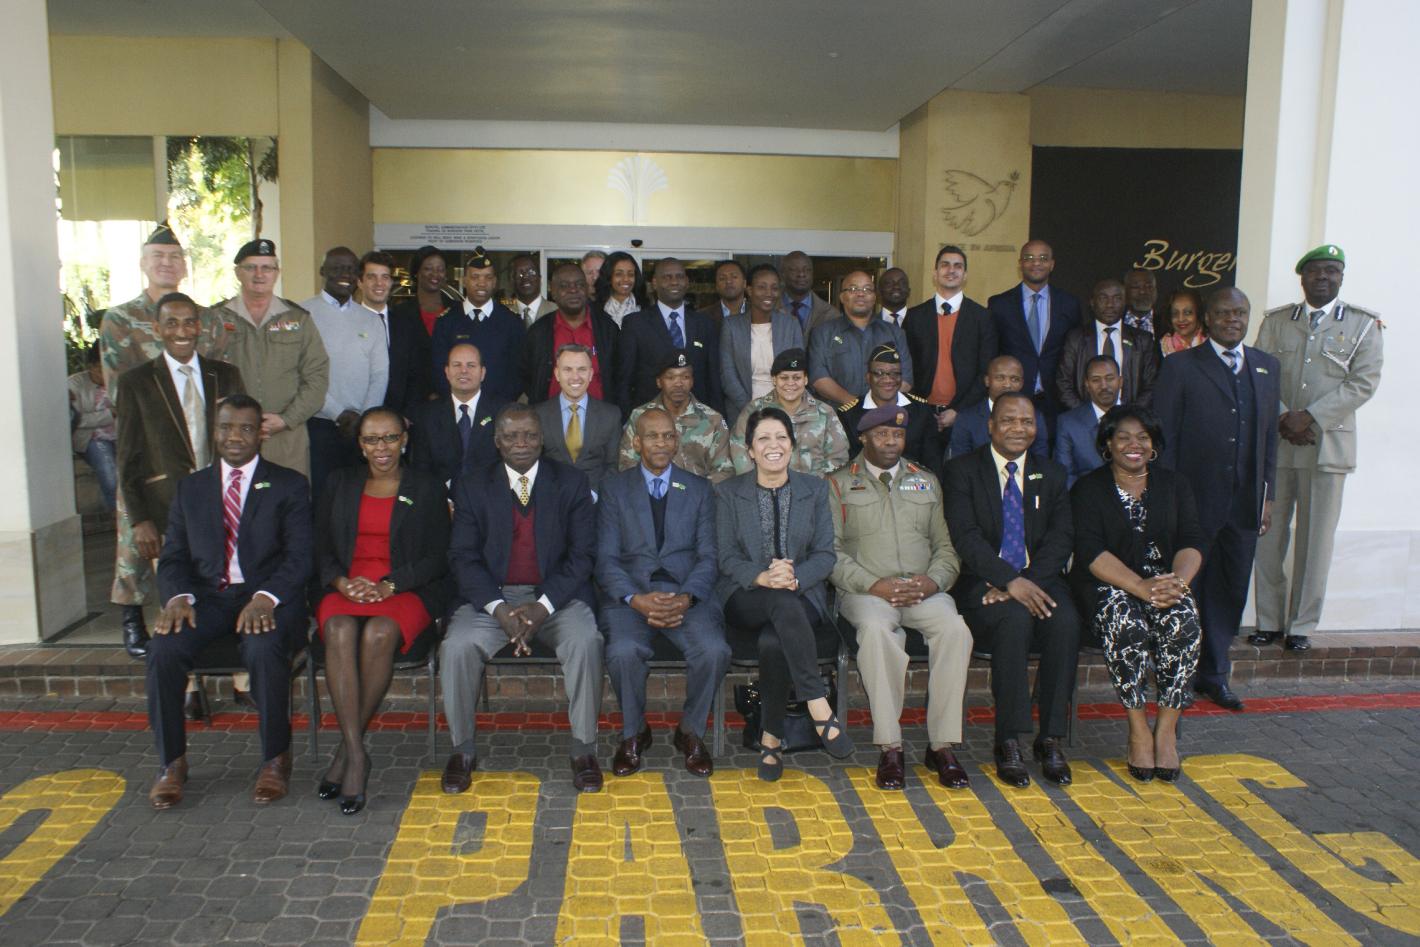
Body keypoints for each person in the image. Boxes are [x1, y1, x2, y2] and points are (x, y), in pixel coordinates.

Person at [145, 395, 312, 810]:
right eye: (225, 427)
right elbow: (174, 557)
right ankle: (171, 763)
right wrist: (178, 598)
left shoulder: (289, 484)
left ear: (261, 434)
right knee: (163, 648)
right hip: (207, 599)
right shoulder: (191, 488)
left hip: (268, 597)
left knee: (263, 646)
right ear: (214, 431)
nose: (234, 436)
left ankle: (275, 759)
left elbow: (300, 557)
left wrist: (265, 597)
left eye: (245, 428)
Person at [441, 405, 604, 793]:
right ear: (497, 442)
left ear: (542, 439)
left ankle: (583, 749)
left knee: (585, 641)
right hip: (491, 601)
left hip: (557, 599)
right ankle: (462, 750)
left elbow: (582, 556)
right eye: (511, 436)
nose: (522, 443)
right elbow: (463, 557)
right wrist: (499, 609)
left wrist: (542, 606)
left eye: (530, 435)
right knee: (456, 646)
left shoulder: (571, 482)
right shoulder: (473, 485)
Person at [313, 408, 451, 814]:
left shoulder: (425, 486)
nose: (382, 448)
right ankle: (357, 754)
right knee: (338, 628)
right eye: (371, 439)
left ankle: (347, 752)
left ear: (404, 440)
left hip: (406, 587)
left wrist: (390, 584)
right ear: (360, 445)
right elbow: (319, 546)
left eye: (390, 437)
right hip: (348, 584)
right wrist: (341, 582)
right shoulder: (339, 482)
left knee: (378, 632)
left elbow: (439, 556)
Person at [828, 405, 972, 791]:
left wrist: (933, 582)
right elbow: (831, 553)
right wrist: (874, 584)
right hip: (866, 592)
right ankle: (891, 746)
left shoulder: (925, 480)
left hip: (921, 590)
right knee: (877, 632)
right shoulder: (838, 484)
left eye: (898, 435)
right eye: (881, 434)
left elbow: (946, 547)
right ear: (863, 438)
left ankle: (941, 745)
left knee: (956, 630)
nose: (891, 441)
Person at [99, 223, 225, 657]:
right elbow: (119, 389)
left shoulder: (206, 318)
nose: (166, 264)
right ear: (143, 264)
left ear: (185, 265)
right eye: (158, 257)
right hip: (148, 437)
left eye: (174, 257)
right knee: (137, 530)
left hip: (199, 440)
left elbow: (216, 375)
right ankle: (132, 615)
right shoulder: (120, 319)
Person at [1252, 244, 1383, 652]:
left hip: (1326, 447)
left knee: (1316, 542)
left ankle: (1301, 625)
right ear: (1303, 277)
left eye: (1331, 271)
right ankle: (1269, 621)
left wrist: (1309, 416)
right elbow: (1258, 371)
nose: (1323, 277)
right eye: (1315, 271)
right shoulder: (1276, 322)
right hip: (1279, 443)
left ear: (1341, 277)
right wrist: (1284, 417)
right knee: (1268, 538)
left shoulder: (1363, 325)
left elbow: (1363, 382)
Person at [944, 394, 1079, 788]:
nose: (1019, 428)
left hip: (1039, 580)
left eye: (1027, 421)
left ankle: (1050, 737)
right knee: (1014, 619)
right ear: (990, 425)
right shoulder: (962, 471)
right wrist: (1008, 580)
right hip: (982, 582)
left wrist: (1027, 581)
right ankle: (1009, 738)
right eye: (1008, 420)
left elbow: (1061, 537)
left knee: (1066, 622)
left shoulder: (1052, 473)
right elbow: (965, 537)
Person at [1154, 287, 1279, 711]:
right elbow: (1165, 439)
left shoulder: (1266, 366)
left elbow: (1269, 440)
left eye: (1240, 312)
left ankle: (1215, 674)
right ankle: (1180, 675)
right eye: (1224, 313)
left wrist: (1267, 497)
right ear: (1208, 318)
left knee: (1230, 589)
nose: (1232, 319)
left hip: (1243, 504)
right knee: (1185, 589)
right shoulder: (1180, 366)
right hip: (1193, 503)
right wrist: (1167, 499)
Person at [716, 407, 853, 781]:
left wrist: (793, 578)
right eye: (763, 438)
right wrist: (763, 576)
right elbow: (726, 556)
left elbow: (825, 554)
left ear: (792, 445)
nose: (772, 445)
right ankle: (818, 705)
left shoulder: (815, 489)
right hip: (745, 596)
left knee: (774, 638)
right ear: (750, 450)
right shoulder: (728, 493)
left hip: (801, 593)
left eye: (781, 437)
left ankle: (771, 738)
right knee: (778, 601)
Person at [1069, 406, 1203, 782]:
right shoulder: (1088, 489)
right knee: (1126, 623)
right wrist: (1141, 588)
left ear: (1154, 444)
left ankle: (1166, 730)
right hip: (1109, 585)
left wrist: (1178, 583)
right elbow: (1090, 551)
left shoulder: (1175, 484)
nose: (1134, 445)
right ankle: (1138, 729)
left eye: (1143, 437)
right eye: (1124, 437)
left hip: (1165, 583)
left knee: (1183, 621)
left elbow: (1192, 539)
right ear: (1108, 444)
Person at [596, 409, 729, 777]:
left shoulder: (699, 489)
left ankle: (690, 731)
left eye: (668, 436)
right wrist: (635, 599)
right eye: (652, 436)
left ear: (677, 441)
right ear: (637, 442)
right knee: (623, 652)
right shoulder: (614, 488)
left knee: (714, 651)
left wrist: (687, 598)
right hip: (632, 597)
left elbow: (709, 556)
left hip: (686, 595)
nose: (661, 443)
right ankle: (634, 732)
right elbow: (605, 559)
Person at [115, 292, 244, 662]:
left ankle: (238, 676)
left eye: (189, 322)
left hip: (225, 503)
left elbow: (244, 440)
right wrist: (139, 519)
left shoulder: (226, 375)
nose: (181, 331)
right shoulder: (136, 382)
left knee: (228, 589)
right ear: (157, 329)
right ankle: (186, 685)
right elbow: (128, 457)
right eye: (171, 323)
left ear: (199, 327)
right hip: (166, 506)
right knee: (176, 595)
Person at [211, 238, 330, 477]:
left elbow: (317, 376)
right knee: (235, 495)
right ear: (238, 273)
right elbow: (203, 376)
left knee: (286, 495)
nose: (259, 274)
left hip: (285, 436)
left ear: (277, 273)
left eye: (267, 267)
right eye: (251, 267)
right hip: (232, 438)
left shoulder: (298, 319)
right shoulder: (216, 318)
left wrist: (286, 419)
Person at [302, 247, 389, 500]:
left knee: (360, 496)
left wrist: (365, 418)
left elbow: (380, 374)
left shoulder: (371, 320)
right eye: (337, 268)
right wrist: (338, 413)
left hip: (363, 428)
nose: (345, 274)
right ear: (322, 271)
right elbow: (302, 372)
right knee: (323, 498)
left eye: (350, 269)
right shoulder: (303, 314)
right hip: (320, 424)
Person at [903, 245, 999, 468]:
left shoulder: (982, 318)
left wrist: (958, 410)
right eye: (945, 265)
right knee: (924, 477)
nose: (951, 270)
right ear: (935, 273)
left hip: (966, 414)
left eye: (958, 266)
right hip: (923, 415)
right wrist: (922, 410)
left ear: (965, 275)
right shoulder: (915, 317)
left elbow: (986, 372)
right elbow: (908, 369)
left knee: (962, 477)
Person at [987, 240, 1082, 422]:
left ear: (1052, 264)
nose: (1036, 263)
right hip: (1013, 397)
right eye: (1029, 258)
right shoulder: (999, 304)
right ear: (1020, 263)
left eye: (1043, 258)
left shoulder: (1069, 304)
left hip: (1057, 399)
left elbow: (1076, 353)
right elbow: (992, 352)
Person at [616, 257, 723, 416]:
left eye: (679, 276)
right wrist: (626, 420)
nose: (674, 282)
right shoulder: (635, 323)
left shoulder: (704, 323)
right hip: (650, 417)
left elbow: (713, 378)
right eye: (667, 277)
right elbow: (624, 380)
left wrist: (719, 419)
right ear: (654, 283)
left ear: (687, 282)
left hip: (698, 420)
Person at [618, 351, 734, 483]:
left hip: (699, 493)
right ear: (659, 382)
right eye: (670, 377)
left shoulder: (713, 419)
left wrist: (698, 492)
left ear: (692, 381)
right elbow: (627, 464)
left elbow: (724, 471)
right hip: (651, 491)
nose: (678, 383)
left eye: (685, 377)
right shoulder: (640, 416)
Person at [729, 349, 849, 475]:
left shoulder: (824, 412)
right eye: (784, 378)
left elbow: (838, 457)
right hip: (766, 483)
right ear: (774, 380)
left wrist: (817, 483)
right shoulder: (754, 411)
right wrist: (757, 482)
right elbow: (739, 449)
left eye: (797, 377)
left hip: (814, 484)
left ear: (805, 379)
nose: (790, 383)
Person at [430, 247, 524, 404]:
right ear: (464, 281)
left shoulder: (511, 322)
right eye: (475, 277)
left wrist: (499, 405)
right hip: (456, 408)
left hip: (499, 408)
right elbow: (438, 370)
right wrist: (459, 402)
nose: (481, 283)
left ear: (495, 282)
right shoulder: (446, 321)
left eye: (488, 277)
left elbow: (518, 372)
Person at [809, 269, 913, 408]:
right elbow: (818, 378)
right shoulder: (822, 333)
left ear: (874, 298)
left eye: (867, 289)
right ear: (842, 297)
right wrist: (857, 406)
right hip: (837, 415)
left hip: (885, 415)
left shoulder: (895, 333)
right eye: (853, 289)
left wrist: (878, 407)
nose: (860, 294)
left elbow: (906, 379)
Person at [407, 343, 505, 490]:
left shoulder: (503, 412)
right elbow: (421, 469)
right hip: (440, 498)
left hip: (491, 496)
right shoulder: (427, 415)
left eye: (471, 365)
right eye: (457, 365)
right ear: (447, 372)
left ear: (483, 373)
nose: (463, 371)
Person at [720, 264, 803, 427]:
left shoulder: (790, 324)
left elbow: (797, 369)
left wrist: (782, 407)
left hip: (786, 408)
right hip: (743, 411)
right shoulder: (731, 326)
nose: (769, 293)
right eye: (762, 287)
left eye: (774, 288)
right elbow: (728, 375)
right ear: (749, 290)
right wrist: (752, 409)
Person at [534, 344, 623, 497]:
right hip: (551, 499)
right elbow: (534, 463)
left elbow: (613, 465)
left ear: (591, 374)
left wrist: (594, 494)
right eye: (567, 369)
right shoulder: (538, 415)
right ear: (557, 374)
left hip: (595, 501)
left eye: (582, 369)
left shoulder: (611, 415)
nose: (575, 377)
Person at [1056, 279, 1159, 409]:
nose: (1110, 304)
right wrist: (1088, 416)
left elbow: (1151, 385)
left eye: (1117, 298)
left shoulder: (1142, 340)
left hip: (1130, 417)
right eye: (1103, 298)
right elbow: (1064, 383)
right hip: (1085, 418)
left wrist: (1128, 416)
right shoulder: (1075, 338)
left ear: (1125, 302)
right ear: (1092, 302)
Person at [525, 263, 619, 404]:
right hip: (550, 415)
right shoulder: (538, 332)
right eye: (564, 286)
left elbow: (619, 377)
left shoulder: (608, 329)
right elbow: (528, 378)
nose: (573, 290)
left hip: (600, 415)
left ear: (587, 289)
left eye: (579, 284)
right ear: (553, 291)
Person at [837, 344, 934, 467]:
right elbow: (848, 462)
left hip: (913, 478)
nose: (888, 380)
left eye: (895, 373)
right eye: (879, 373)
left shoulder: (921, 410)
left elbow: (932, 459)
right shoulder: (848, 415)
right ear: (868, 377)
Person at [947, 355, 1049, 461]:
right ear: (987, 380)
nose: (1007, 385)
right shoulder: (966, 419)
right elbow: (959, 464)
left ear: (1021, 383)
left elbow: (1040, 462)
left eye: (1014, 379)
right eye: (1000, 378)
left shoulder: (1036, 417)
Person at [380, 249, 435, 414]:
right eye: (428, 268)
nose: (435, 273)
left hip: (412, 408)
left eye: (385, 277)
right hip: (363, 411)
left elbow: (414, 370)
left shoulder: (402, 323)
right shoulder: (401, 312)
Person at [1054, 355, 1121, 487]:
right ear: (1087, 384)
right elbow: (1065, 475)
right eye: (1096, 380)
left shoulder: (1137, 419)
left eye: (1109, 378)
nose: (1104, 386)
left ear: (1120, 381)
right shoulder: (1067, 423)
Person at [69, 345, 118, 511]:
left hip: (121, 436)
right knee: (110, 472)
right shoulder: (75, 384)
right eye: (99, 368)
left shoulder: (119, 380)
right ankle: (117, 515)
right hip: (91, 438)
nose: (104, 373)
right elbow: (77, 419)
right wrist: (110, 414)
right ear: (91, 366)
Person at [780, 251, 837, 333]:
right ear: (783, 274)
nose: (801, 274)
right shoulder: (769, 309)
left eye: (807, 270)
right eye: (794, 270)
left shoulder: (831, 314)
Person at [592, 251, 646, 328]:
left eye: (630, 274)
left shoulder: (646, 309)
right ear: (609, 276)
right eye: (619, 274)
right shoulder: (595, 310)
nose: (626, 279)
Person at [697, 259, 747, 337]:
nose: (728, 281)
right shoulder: (702, 317)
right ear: (716, 286)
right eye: (722, 278)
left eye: (734, 277)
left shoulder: (759, 313)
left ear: (744, 283)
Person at [509, 253, 556, 327]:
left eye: (531, 272)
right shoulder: (504, 316)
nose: (525, 277)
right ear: (512, 280)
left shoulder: (557, 313)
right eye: (520, 273)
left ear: (539, 278)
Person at [1159, 288, 1206, 356]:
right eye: (1175, 313)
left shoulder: (1214, 342)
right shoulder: (1162, 346)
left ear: (1198, 313)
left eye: (1187, 313)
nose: (1181, 319)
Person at [1123, 270, 1160, 337]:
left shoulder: (1168, 324)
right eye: (1136, 287)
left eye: (1148, 286)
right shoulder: (1113, 322)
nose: (1142, 292)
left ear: (1156, 290)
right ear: (1125, 291)